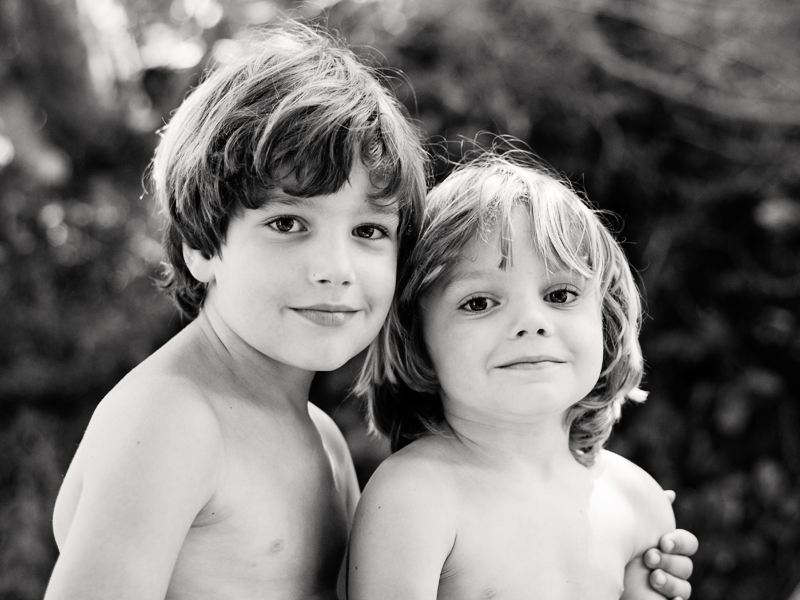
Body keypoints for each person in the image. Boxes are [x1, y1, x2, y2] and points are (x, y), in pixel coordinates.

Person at [45, 21, 695, 600]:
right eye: (288, 223)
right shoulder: (173, 420)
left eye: (369, 231)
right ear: (201, 244)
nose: (335, 267)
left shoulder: (321, 439)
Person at [349, 151, 697, 599]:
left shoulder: (637, 502)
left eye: (560, 294)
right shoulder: (414, 497)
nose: (532, 322)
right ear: (416, 338)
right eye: (479, 303)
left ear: (605, 319)